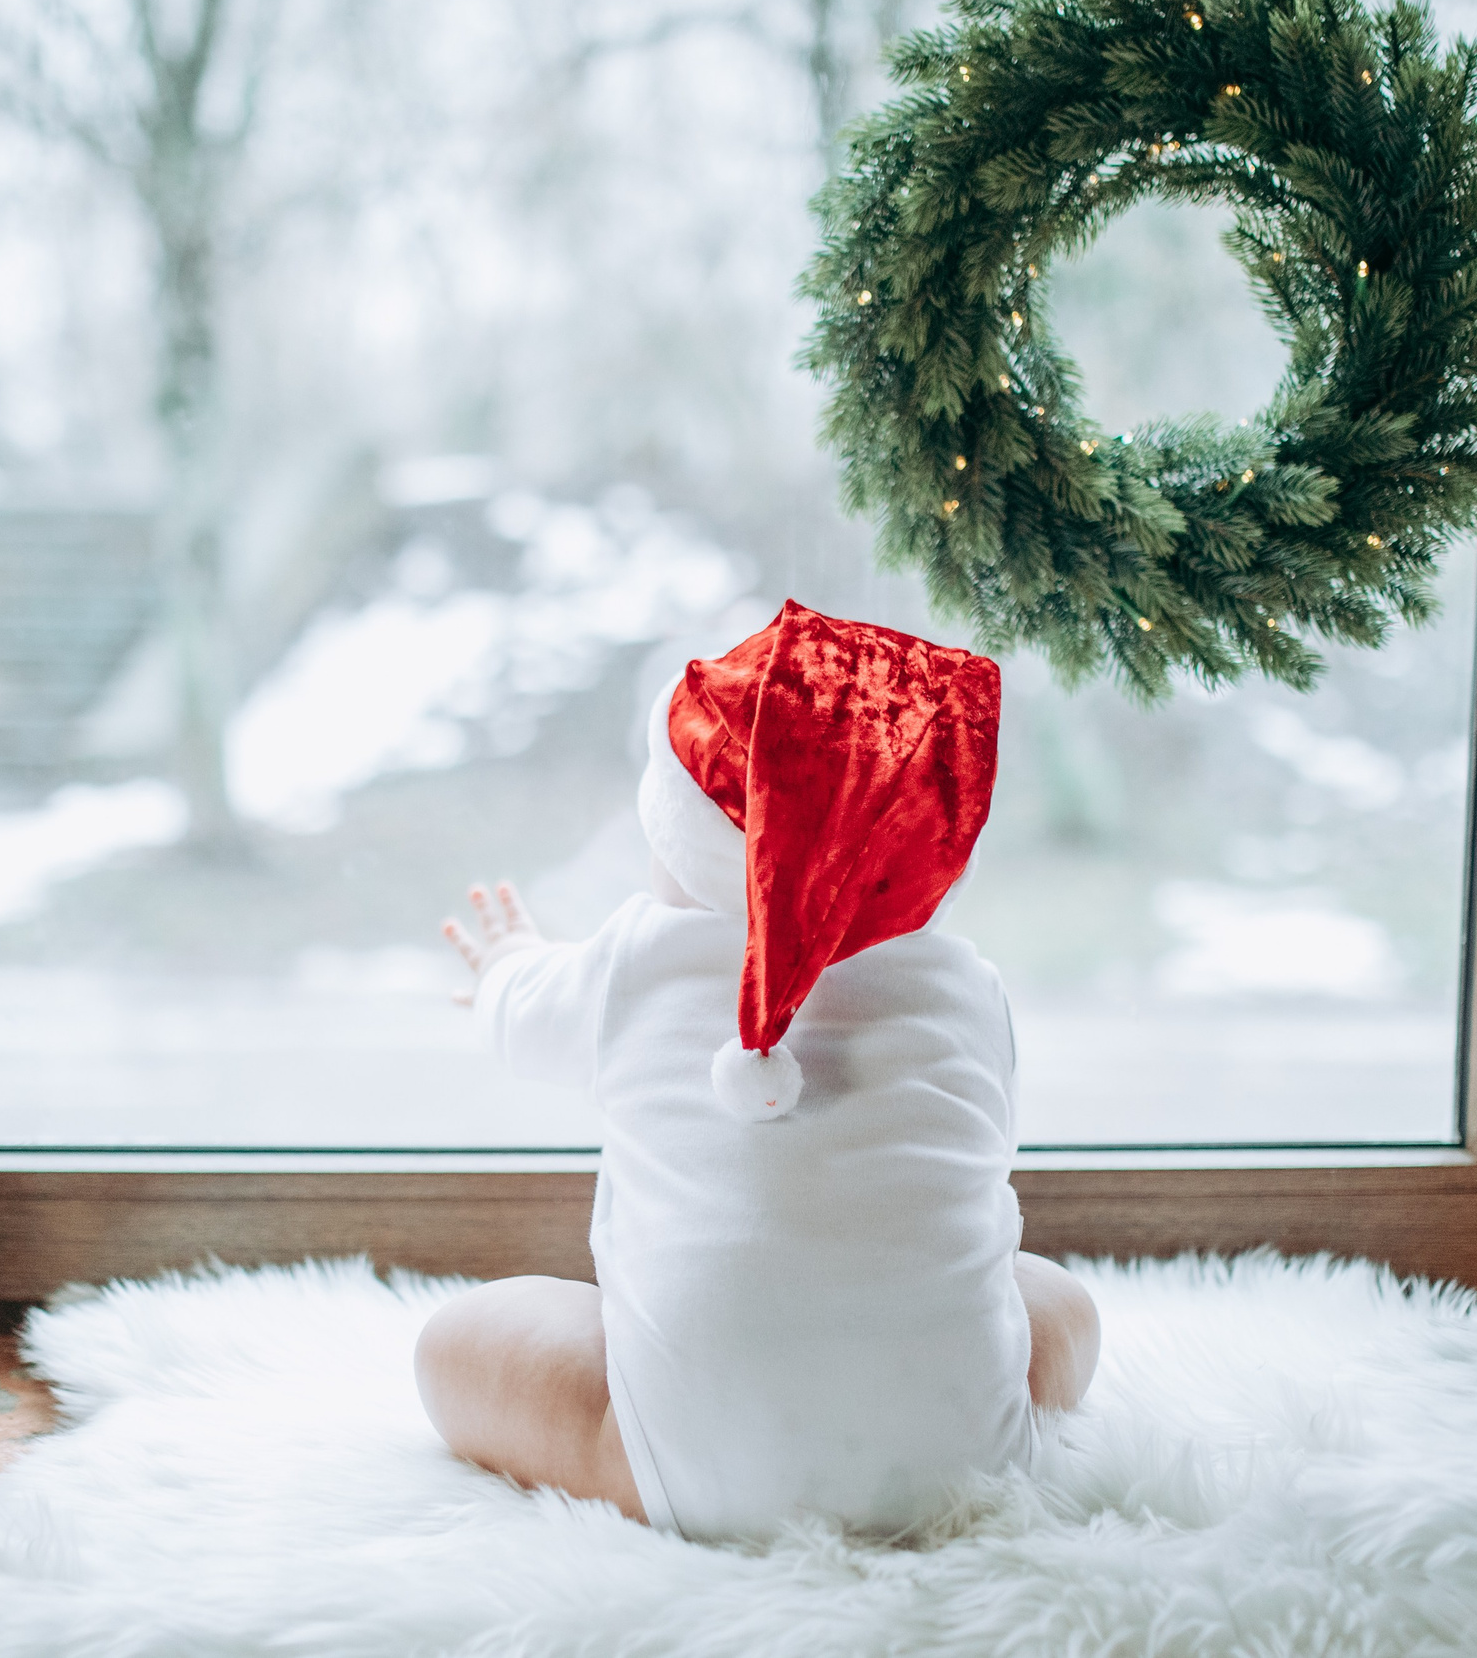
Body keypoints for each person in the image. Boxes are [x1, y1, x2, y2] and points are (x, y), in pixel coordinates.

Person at [419, 600, 1100, 1541]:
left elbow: (523, 1020)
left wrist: (505, 965)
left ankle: (655, 1447)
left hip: (684, 1464)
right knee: (1058, 1305)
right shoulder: (967, 988)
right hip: (960, 1465)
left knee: (456, 1344)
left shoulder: (634, 965)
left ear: (692, 844)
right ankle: (925, 1428)